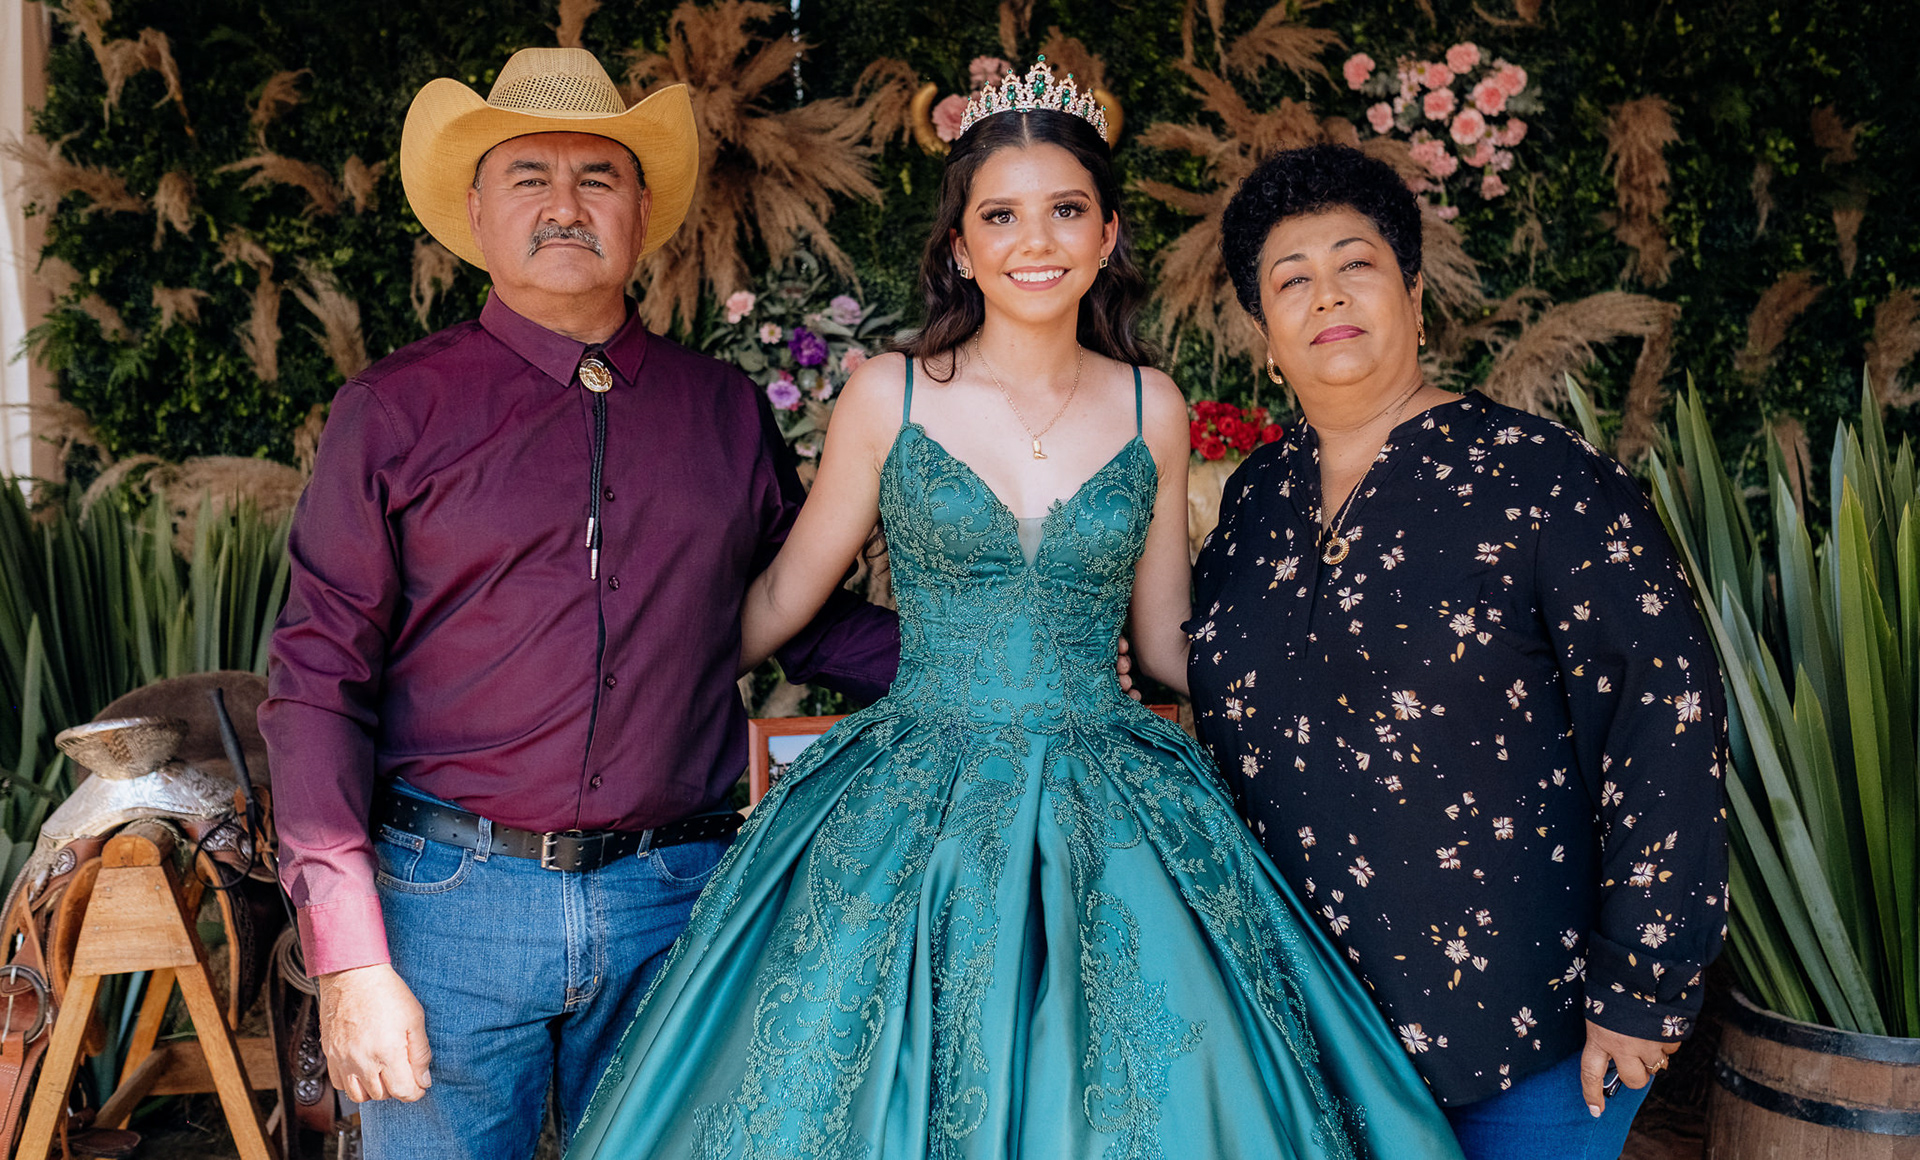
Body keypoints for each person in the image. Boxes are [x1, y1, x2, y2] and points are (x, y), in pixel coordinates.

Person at [567, 65, 1464, 1160]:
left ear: (1106, 236)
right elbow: (784, 596)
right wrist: (631, 686)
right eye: (1000, 215)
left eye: (1066, 210)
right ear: (960, 245)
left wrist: (1347, 672)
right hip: (914, 792)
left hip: (1112, 793)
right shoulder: (890, 393)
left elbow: (1166, 639)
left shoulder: (1151, 403)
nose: (1034, 240)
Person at [258, 47, 900, 1159]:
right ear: (476, 212)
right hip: (447, 907)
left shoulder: (722, 410)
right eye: (530, 178)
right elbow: (317, 680)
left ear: (643, 211)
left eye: (597, 177)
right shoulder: (394, 412)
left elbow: (802, 614)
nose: (565, 205)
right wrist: (350, 952)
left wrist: (1020, 651)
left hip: (676, 902)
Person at [1185, 143, 1729, 1159]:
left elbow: (1665, 717)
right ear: (1266, 338)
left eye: (1356, 264)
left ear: (1415, 297)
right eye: (1291, 280)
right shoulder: (1254, 503)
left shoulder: (1542, 479)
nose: (1327, 294)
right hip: (1305, 1036)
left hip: (1523, 1034)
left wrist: (1644, 983)